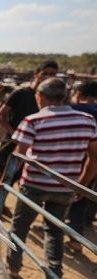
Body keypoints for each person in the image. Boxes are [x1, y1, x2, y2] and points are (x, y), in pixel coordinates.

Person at [6, 77, 97, 279]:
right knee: (55, 230)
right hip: (66, 186)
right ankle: (54, 275)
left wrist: (6, 183)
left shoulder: (34, 120)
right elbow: (94, 157)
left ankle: (13, 267)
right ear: (65, 96)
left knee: (20, 227)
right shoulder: (86, 120)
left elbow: (18, 157)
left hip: (34, 185)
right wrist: (81, 185)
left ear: (40, 96)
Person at [0, 61, 59, 187]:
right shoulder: (20, 93)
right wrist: (15, 135)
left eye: (53, 74)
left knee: (24, 177)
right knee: (6, 176)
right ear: (36, 74)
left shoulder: (54, 99)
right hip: (13, 143)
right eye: (45, 73)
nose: (48, 77)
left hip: (36, 148)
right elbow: (0, 116)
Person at [66, 80, 97, 253]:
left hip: (80, 161)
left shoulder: (75, 110)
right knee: (89, 197)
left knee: (75, 197)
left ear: (78, 94)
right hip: (92, 163)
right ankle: (84, 225)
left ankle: (73, 237)